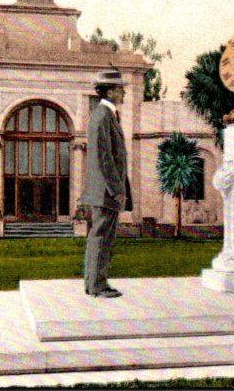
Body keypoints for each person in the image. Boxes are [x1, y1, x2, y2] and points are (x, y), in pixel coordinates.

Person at [81, 69, 132, 298]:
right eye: (120, 89)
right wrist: (117, 190)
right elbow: (104, 158)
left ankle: (95, 283)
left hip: (105, 191)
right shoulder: (102, 116)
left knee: (101, 238)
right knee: (101, 238)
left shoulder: (107, 115)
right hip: (105, 192)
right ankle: (97, 286)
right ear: (109, 91)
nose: (123, 93)